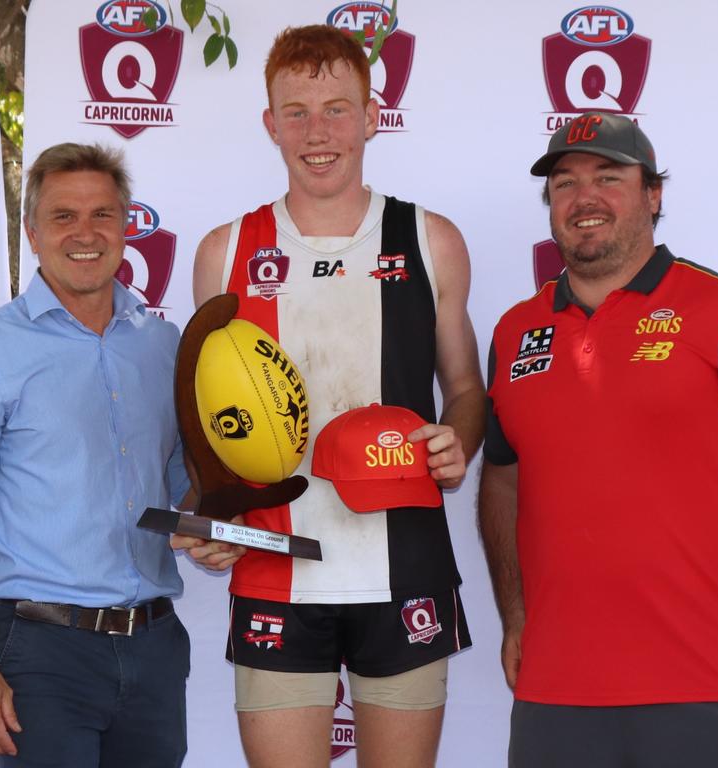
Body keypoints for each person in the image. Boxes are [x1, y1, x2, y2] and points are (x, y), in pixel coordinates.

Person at [478, 112, 718, 768]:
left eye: (608, 177)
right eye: (564, 182)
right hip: (554, 696)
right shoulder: (514, 332)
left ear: (653, 195)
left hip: (709, 689)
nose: (584, 197)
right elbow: (502, 481)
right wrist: (515, 617)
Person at [173, 24, 486, 768]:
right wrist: (210, 511)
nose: (319, 132)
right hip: (276, 566)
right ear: (270, 123)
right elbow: (211, 426)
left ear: (373, 116)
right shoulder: (226, 250)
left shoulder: (429, 238)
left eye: (338, 109)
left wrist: (458, 441)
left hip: (403, 563)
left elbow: (467, 388)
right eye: (298, 111)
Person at [0, 142, 213, 767]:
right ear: (32, 232)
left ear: (127, 227)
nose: (86, 233)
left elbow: (181, 488)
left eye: (103, 214)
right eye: (63, 216)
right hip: (40, 656)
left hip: (156, 647)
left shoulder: (164, 345)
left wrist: (214, 531)